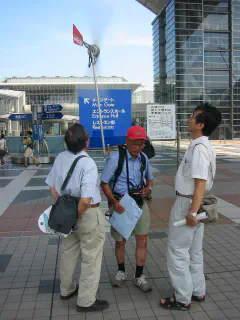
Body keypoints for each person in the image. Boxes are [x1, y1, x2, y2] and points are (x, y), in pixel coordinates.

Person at [160, 103, 222, 311]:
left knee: (177, 251)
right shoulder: (201, 145)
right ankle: (197, 291)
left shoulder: (200, 149)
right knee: (195, 252)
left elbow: (200, 184)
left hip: (188, 203)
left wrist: (192, 212)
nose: (189, 118)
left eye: (193, 116)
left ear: (201, 124)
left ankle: (182, 298)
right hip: (194, 203)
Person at [45, 124, 109, 312]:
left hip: (66, 212)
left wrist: (65, 210)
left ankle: (66, 290)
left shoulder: (61, 158)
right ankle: (86, 301)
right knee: (91, 256)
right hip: (86, 215)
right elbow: (86, 200)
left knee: (68, 252)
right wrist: (76, 216)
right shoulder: (87, 163)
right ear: (86, 142)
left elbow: (52, 187)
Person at [101, 126, 153, 292]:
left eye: (141, 143)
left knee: (142, 239)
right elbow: (103, 183)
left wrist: (148, 189)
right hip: (121, 204)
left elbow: (150, 180)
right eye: (135, 143)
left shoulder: (144, 158)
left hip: (139, 203)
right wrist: (113, 202)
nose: (138, 147)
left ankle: (139, 276)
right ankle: (121, 271)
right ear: (127, 141)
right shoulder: (115, 158)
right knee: (120, 241)